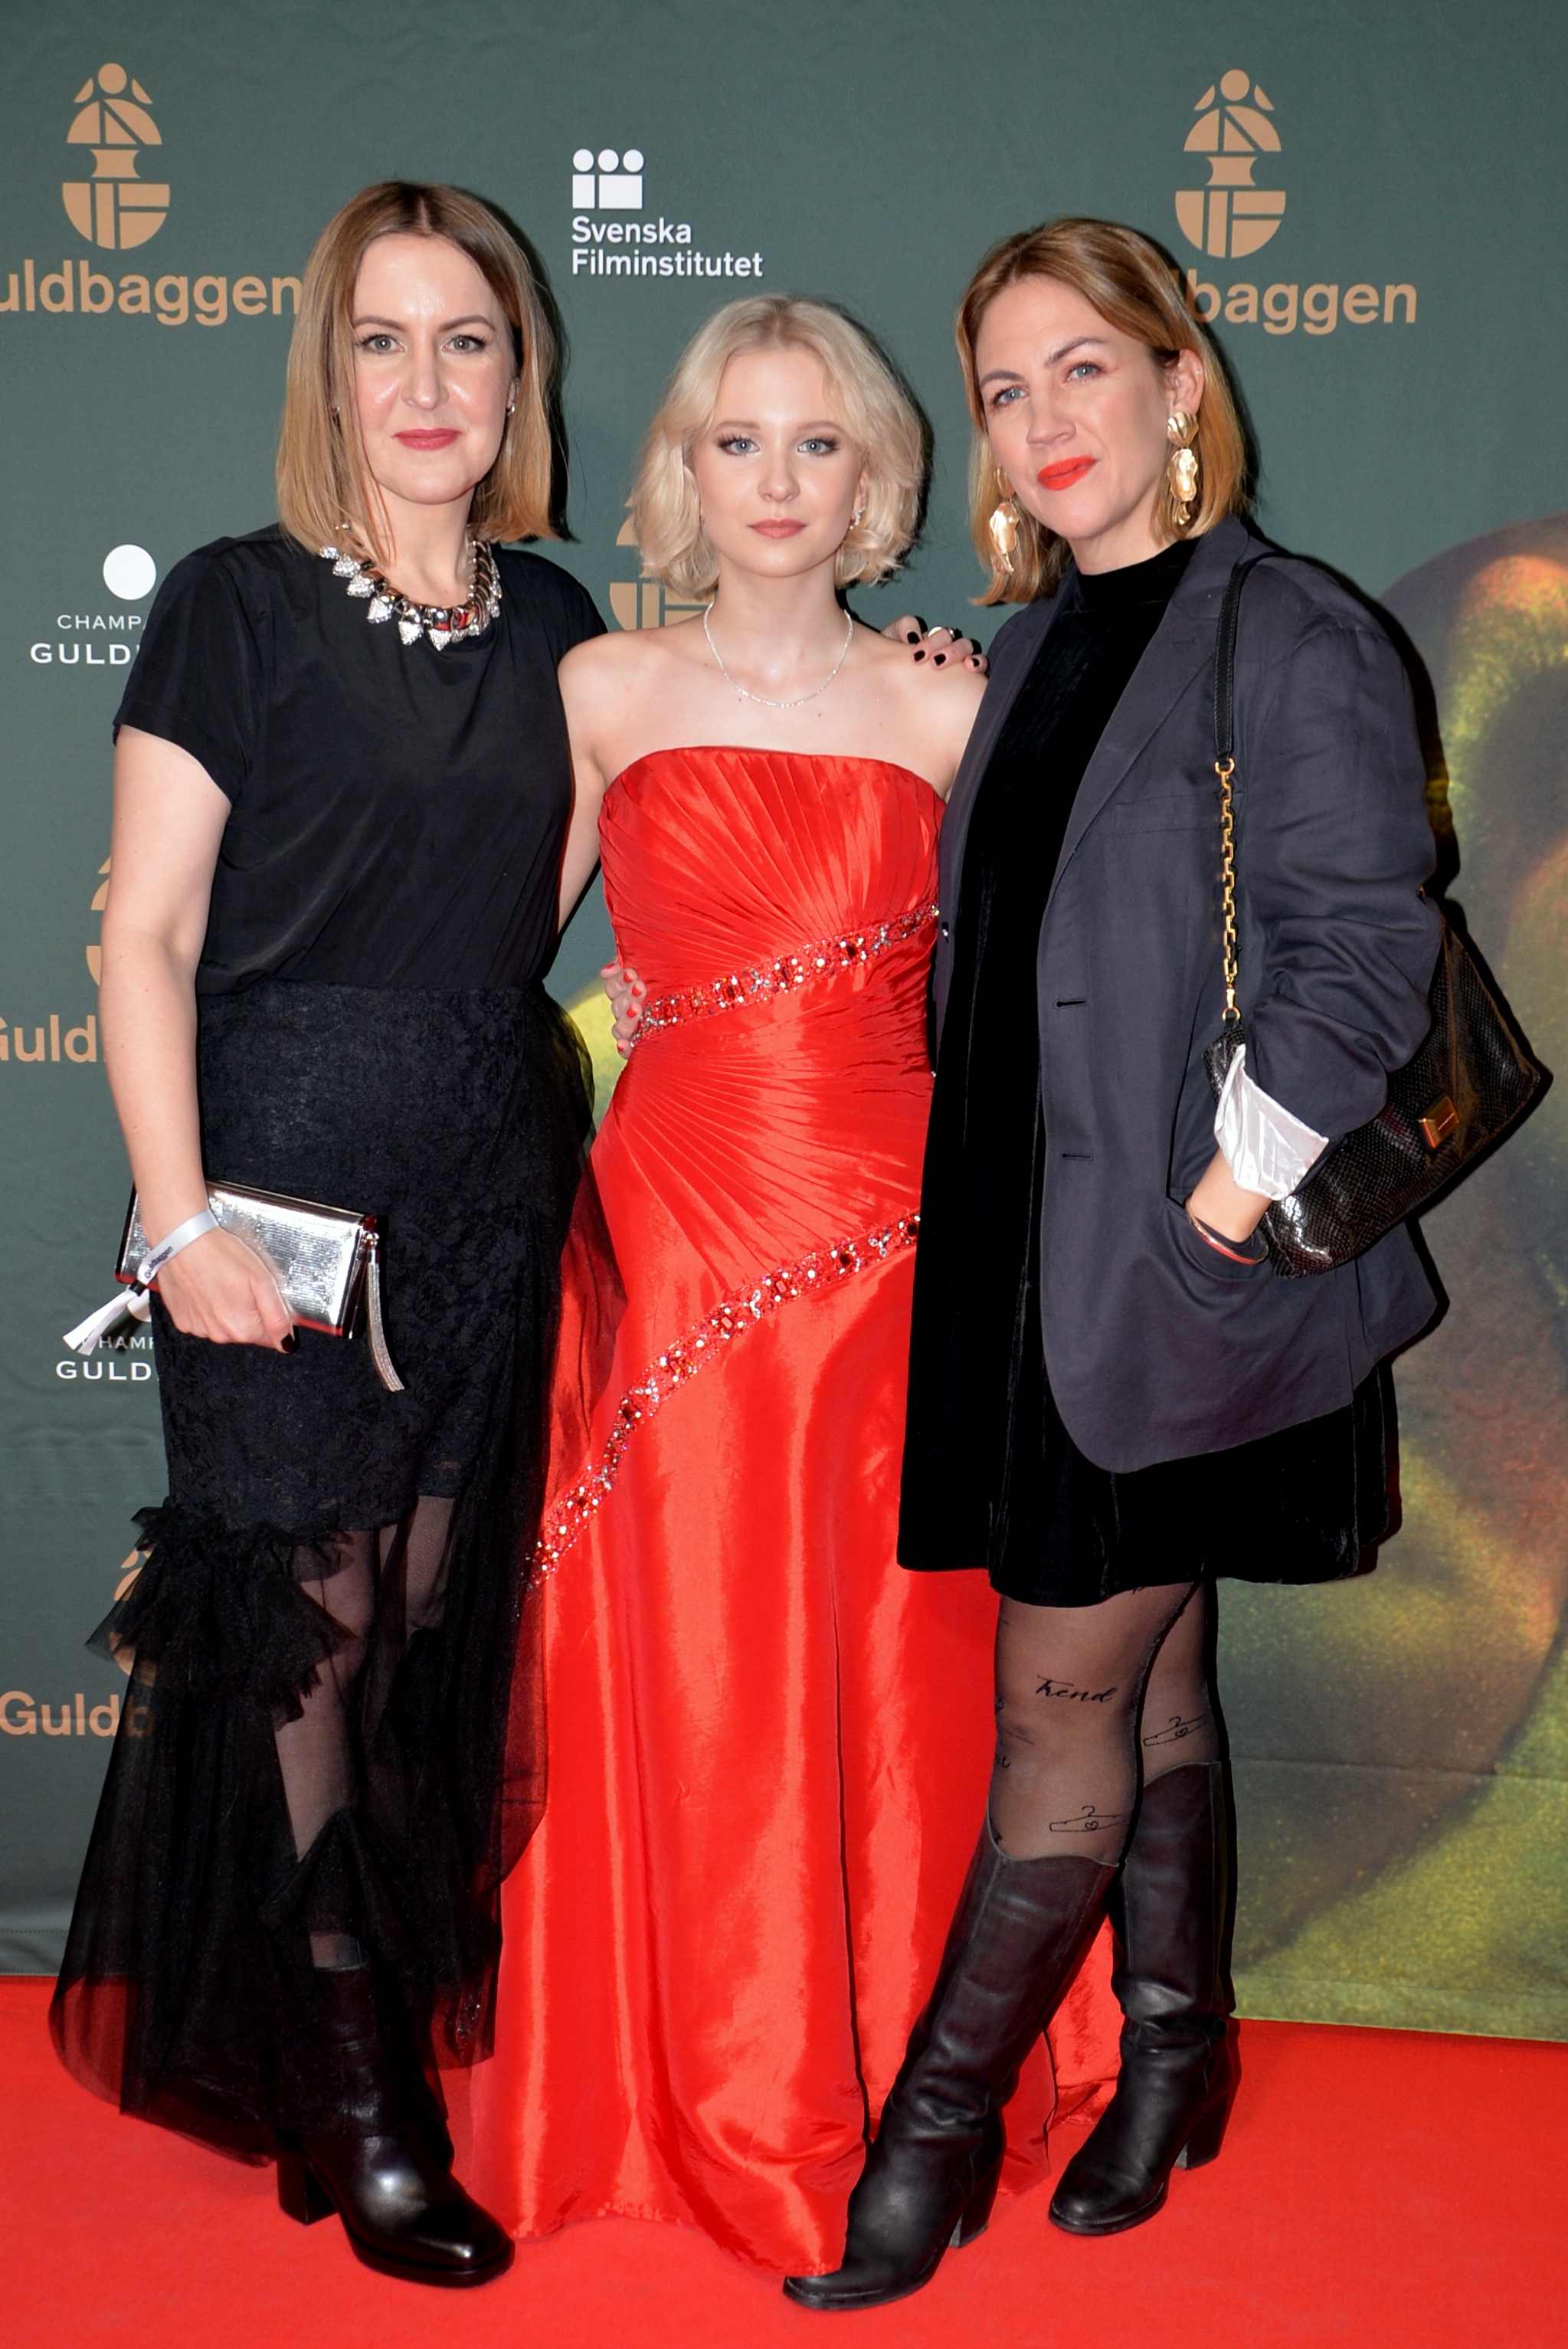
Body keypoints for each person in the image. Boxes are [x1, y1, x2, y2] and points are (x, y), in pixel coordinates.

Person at [785, 218, 1443, 2312]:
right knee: (1151, 1673)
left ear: (1180, 382)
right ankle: (1177, 2058)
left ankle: (927, 2147)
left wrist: (1217, 1217)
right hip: (1028, 1255)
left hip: (1183, 1263)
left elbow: (1367, 963)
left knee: (1058, 1700)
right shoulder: (1034, 646)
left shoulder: (1294, 632)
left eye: (1086, 367)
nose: (1045, 418)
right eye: (1005, 387)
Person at [468, 294, 1121, 2275]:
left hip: (896, 1262)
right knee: (688, 1665)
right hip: (665, 1246)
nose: (775, 482)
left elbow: (1045, 1008)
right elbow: (487, 969)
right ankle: (681, 2085)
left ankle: (910, 2077)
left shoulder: (950, 709)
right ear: (686, 466)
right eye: (738, 442)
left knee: (898, 1677)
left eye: (816, 443)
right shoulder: (601, 686)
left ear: (875, 477)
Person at [51, 183, 602, 2288]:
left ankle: (316, 2033)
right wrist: (180, 1212)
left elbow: (552, 890)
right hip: (269, 1189)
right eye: (384, 339)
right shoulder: (234, 604)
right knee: (319, 1625)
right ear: (330, 373)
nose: (427, 381)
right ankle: (365, 2102)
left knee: (434, 1616)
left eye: (468, 339)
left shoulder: (557, 625)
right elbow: (148, 937)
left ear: (519, 375)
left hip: (486, 1181)